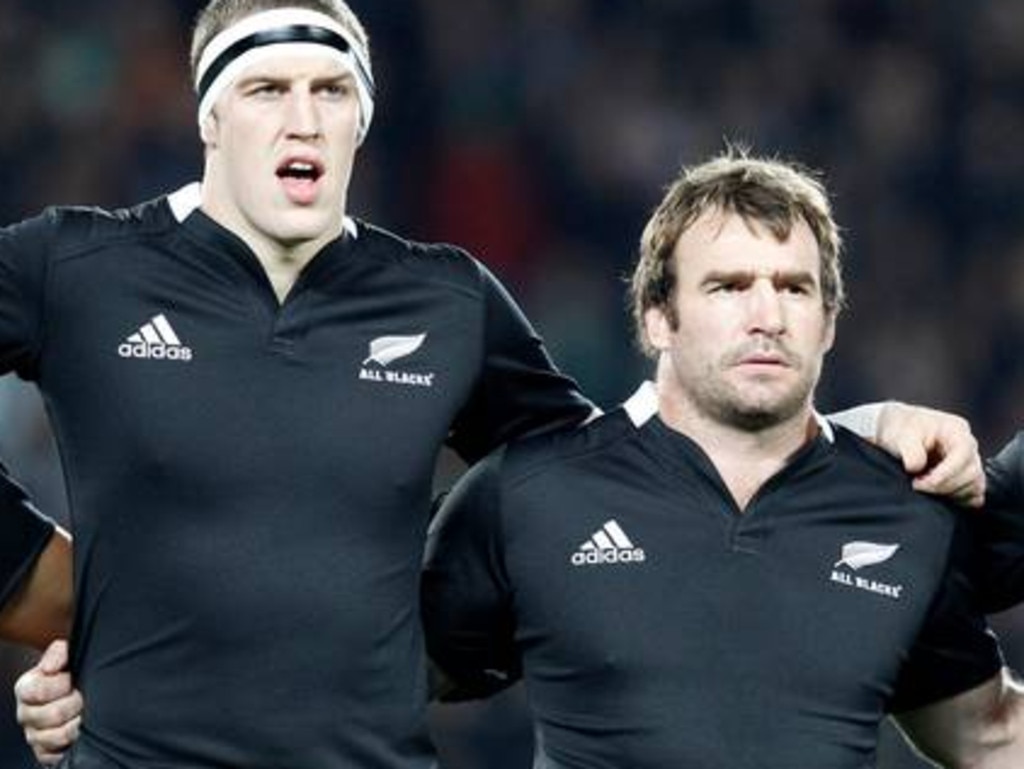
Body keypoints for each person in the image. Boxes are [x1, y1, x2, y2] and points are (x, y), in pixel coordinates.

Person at [0, 3, 990, 768]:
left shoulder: (444, 299)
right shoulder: (76, 267)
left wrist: (845, 423)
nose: (302, 118)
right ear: (210, 114)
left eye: (332, 91)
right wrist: (45, 584)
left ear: (363, 120)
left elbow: (629, 467)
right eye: (266, 89)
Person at [419, 152, 1024, 768]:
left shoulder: (905, 514)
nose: (768, 318)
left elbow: (992, 736)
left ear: (829, 323)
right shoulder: (529, 495)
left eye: (794, 288)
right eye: (729, 287)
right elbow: (361, 696)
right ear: (658, 317)